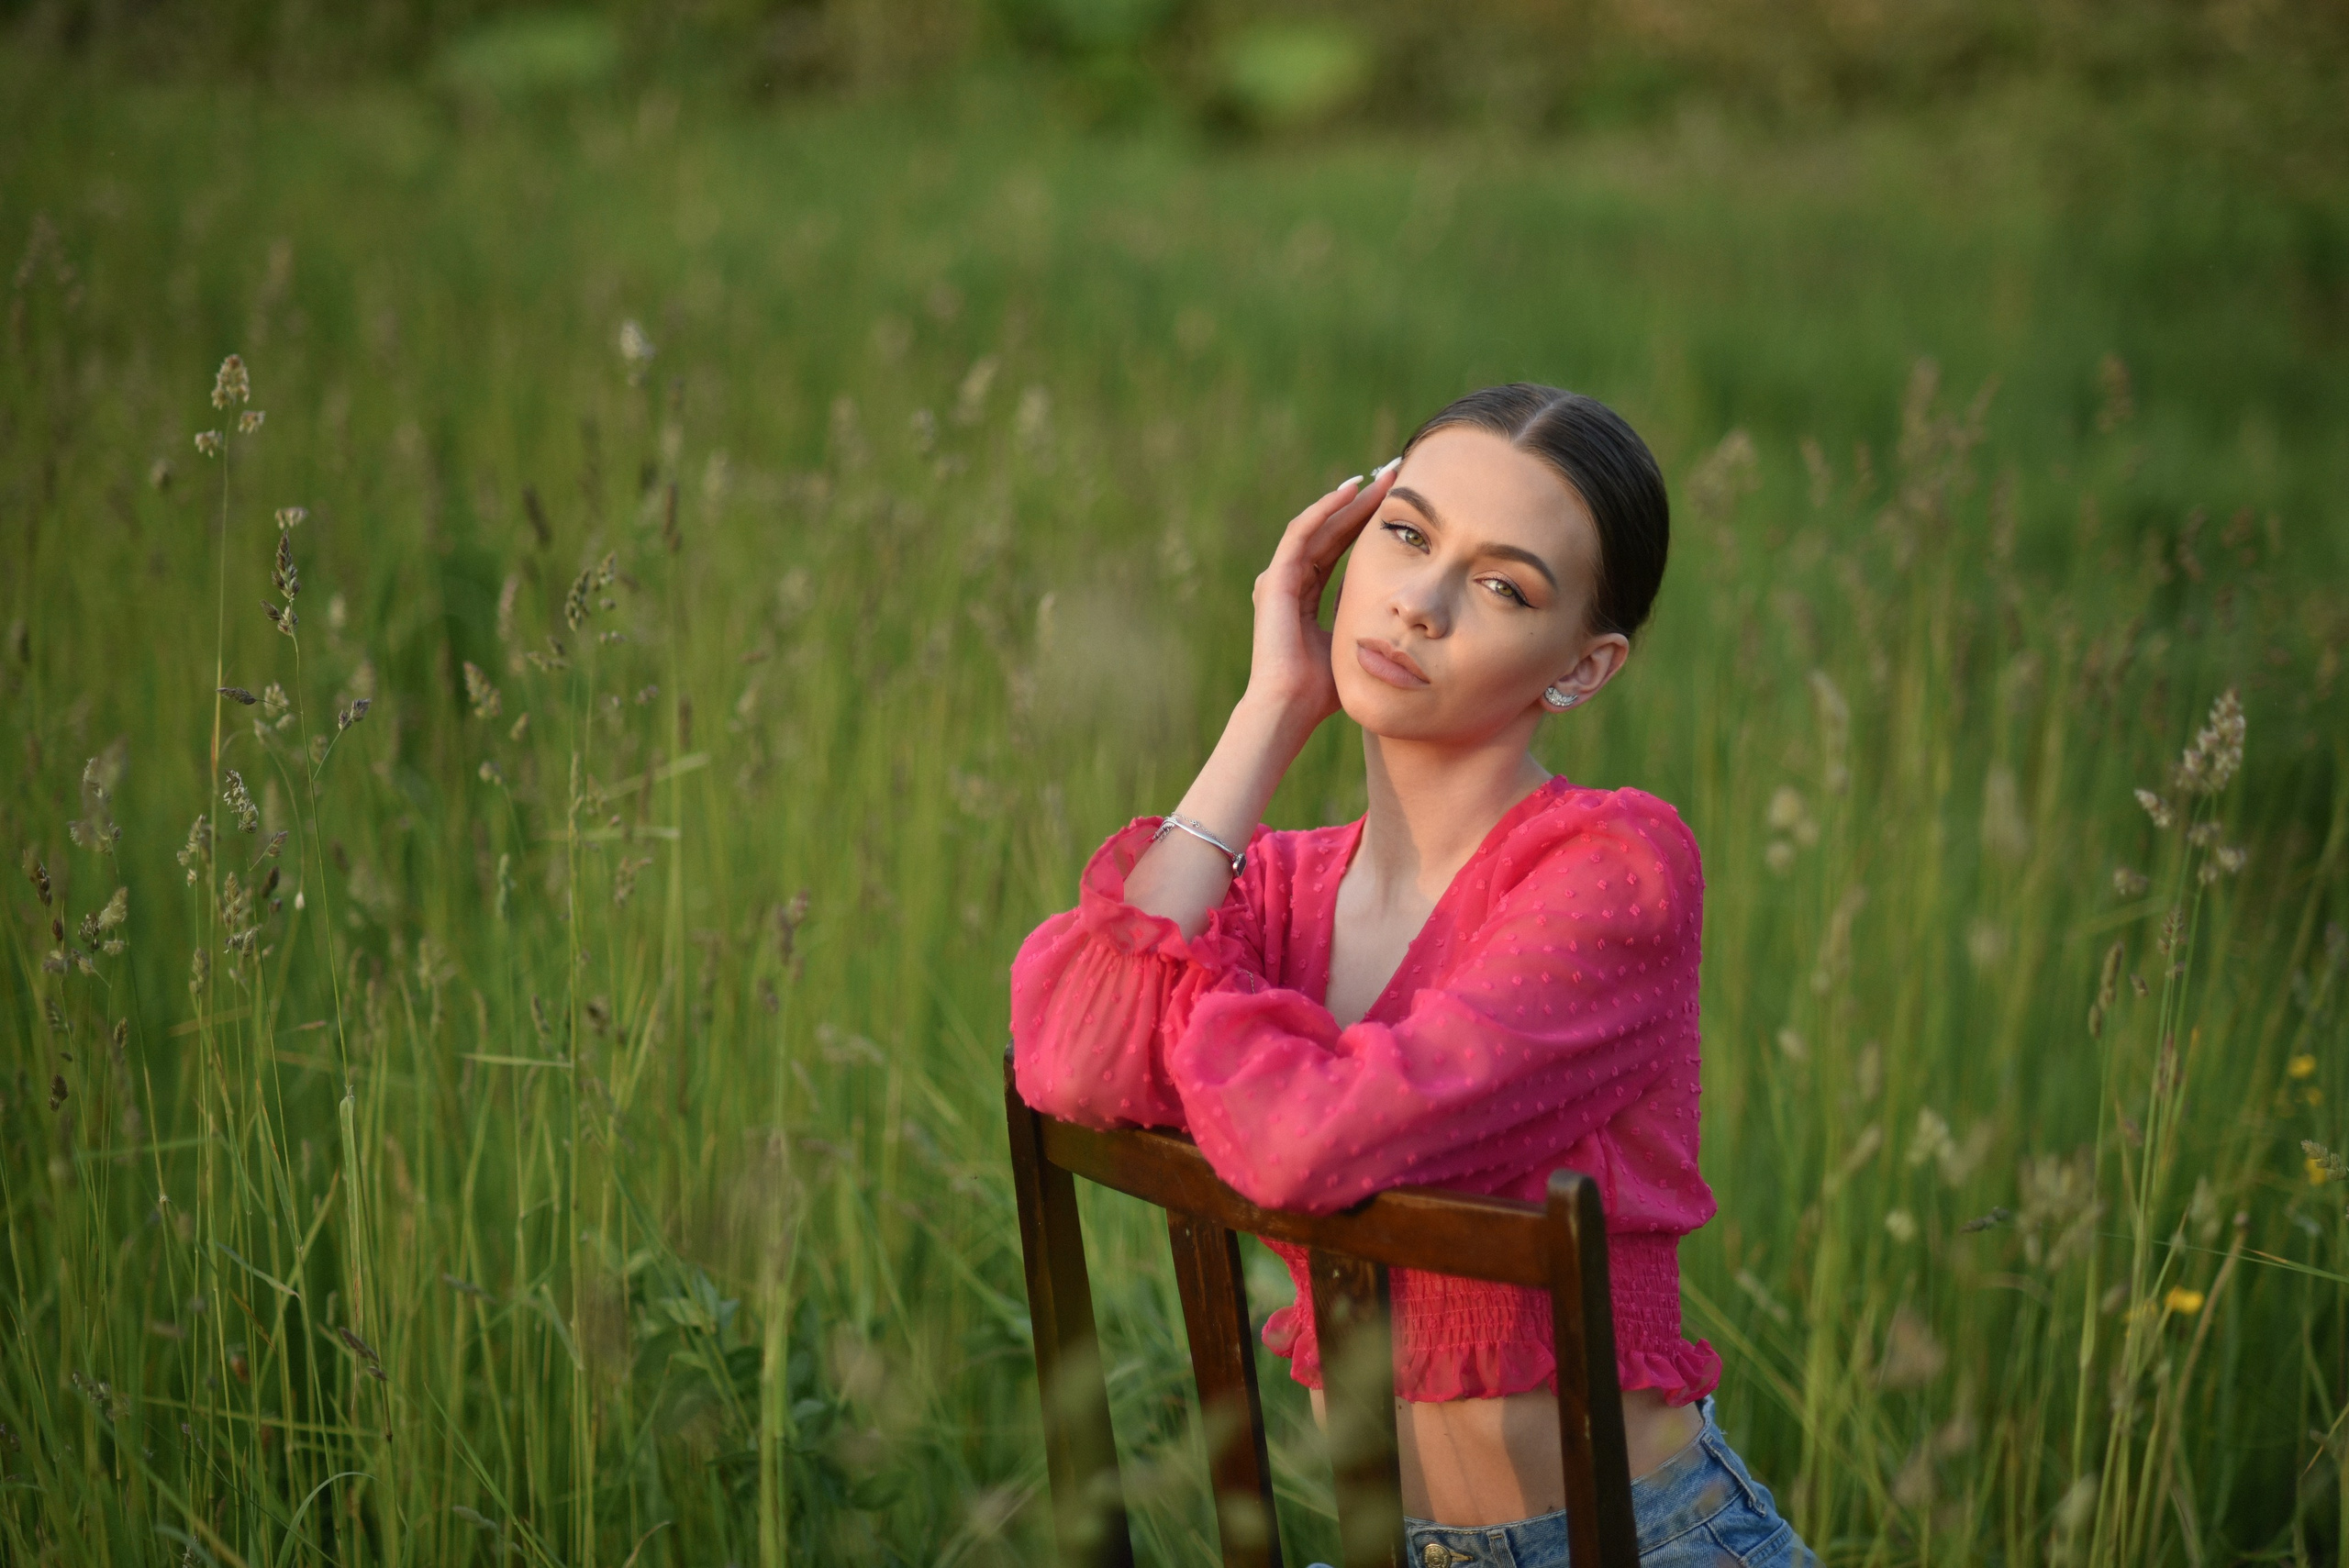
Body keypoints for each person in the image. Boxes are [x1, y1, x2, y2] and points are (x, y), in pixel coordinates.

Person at [1009, 384, 1813, 1565]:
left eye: (1503, 586)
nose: (1420, 602)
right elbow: (1071, 1050)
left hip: (1635, 1543)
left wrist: (1189, 1005)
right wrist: (1268, 708)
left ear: (1582, 669)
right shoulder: (1280, 887)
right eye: (1405, 532)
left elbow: (1307, 1142)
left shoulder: (1610, 871)